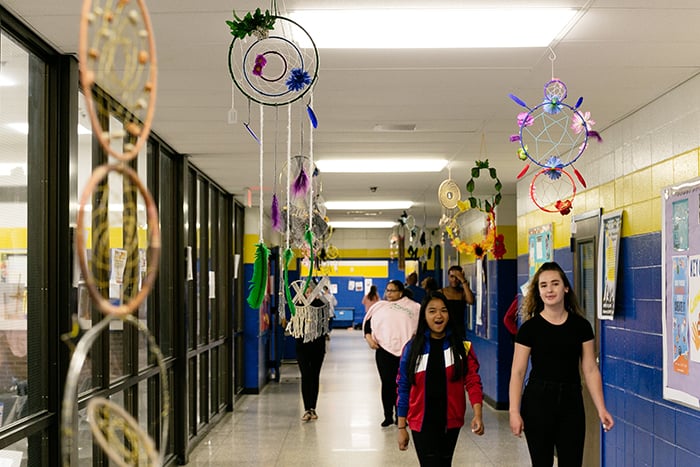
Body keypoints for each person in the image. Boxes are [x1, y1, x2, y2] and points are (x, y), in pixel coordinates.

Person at [508, 262, 614, 467]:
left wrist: (601, 408)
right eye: (544, 285)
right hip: (538, 401)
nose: (549, 290)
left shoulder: (581, 326)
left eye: (555, 284)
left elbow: (590, 369)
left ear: (565, 287)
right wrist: (514, 411)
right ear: (538, 292)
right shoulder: (529, 329)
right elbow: (518, 372)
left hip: (571, 401)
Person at [397, 291, 484, 466]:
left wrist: (477, 414)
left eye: (443, 310)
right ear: (424, 316)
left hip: (450, 421)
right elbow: (403, 386)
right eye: (432, 311)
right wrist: (401, 427)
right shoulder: (412, 348)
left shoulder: (462, 347)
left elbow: (473, 381)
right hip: (420, 421)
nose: (438, 315)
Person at [363, 280, 420, 427]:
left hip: (406, 352)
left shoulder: (413, 307)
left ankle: (401, 416)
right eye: (387, 290)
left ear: (400, 292)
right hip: (384, 351)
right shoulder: (379, 307)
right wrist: (369, 339)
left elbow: (419, 328)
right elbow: (368, 326)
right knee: (387, 384)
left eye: (392, 290)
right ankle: (387, 416)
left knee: (403, 385)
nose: (388, 293)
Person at [286, 281, 332, 422]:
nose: (308, 294)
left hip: (318, 346)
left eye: (311, 291)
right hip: (302, 347)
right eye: (306, 292)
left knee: (314, 375)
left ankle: (313, 408)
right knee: (306, 375)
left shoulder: (321, 305)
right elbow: (292, 323)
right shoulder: (297, 305)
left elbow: (328, 320)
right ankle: (307, 409)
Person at [439, 265, 475, 340]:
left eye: (457, 277)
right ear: (448, 277)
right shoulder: (441, 292)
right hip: (444, 329)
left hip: (459, 331)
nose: (454, 280)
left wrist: (463, 280)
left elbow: (471, 301)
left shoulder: (463, 292)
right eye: (452, 276)